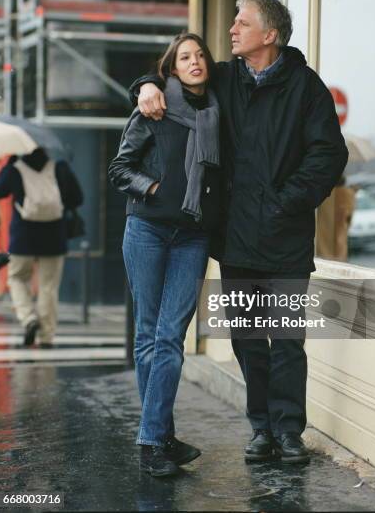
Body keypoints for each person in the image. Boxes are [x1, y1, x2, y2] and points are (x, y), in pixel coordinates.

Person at [130, 0, 348, 465]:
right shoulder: (225, 79)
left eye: (242, 22)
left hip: (286, 238)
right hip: (237, 241)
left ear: (269, 35)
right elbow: (176, 79)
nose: (231, 30)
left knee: (287, 341)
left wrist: (285, 202)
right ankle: (262, 430)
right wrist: (146, 83)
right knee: (249, 341)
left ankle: (290, 432)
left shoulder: (307, 89)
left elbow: (329, 155)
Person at [108, 33, 221, 477]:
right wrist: (153, 189)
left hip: (192, 237)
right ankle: (159, 438)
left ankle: (156, 439)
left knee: (170, 337)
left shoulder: (217, 113)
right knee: (150, 335)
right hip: (148, 230)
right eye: (184, 58)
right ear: (171, 69)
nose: (194, 62)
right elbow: (120, 169)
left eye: (199, 55)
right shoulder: (152, 109)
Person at [0, 148, 83, 348]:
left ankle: (28, 319)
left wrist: (9, 166)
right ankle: (46, 337)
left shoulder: (14, 169)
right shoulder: (59, 167)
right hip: (54, 237)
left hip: (22, 238)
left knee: (17, 278)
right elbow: (78, 198)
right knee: (48, 287)